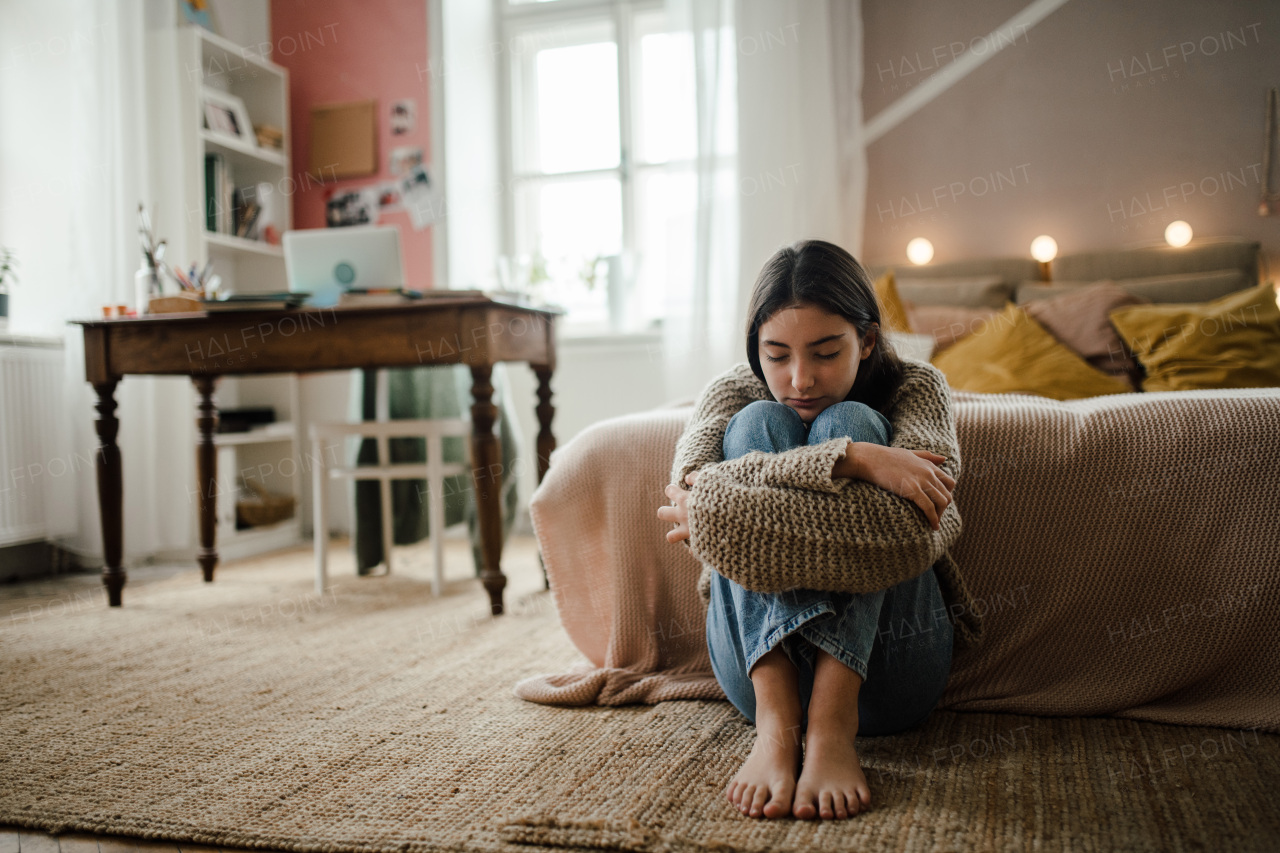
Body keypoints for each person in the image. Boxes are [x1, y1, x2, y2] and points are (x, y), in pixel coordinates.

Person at [656, 239, 982, 822]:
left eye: (826, 353)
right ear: (755, 349)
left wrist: (751, 497)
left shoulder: (918, 388)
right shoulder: (734, 393)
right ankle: (778, 730)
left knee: (853, 417)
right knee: (759, 420)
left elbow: (913, 533)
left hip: (891, 671)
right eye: (776, 355)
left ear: (868, 340)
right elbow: (693, 495)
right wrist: (853, 461)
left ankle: (832, 728)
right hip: (756, 675)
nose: (799, 379)